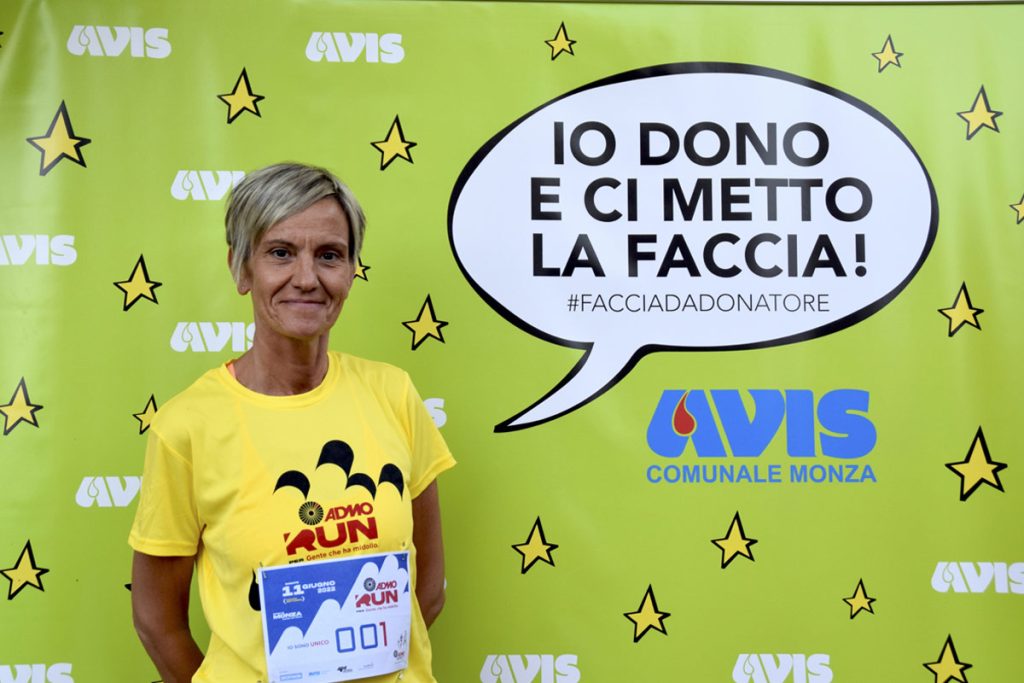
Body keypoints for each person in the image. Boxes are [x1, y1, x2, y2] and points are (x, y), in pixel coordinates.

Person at [129, 162, 455, 683]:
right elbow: (157, 621)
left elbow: (427, 590)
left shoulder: (393, 393)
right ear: (241, 269)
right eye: (280, 253)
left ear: (351, 270)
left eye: (329, 255)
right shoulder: (187, 426)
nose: (307, 278)